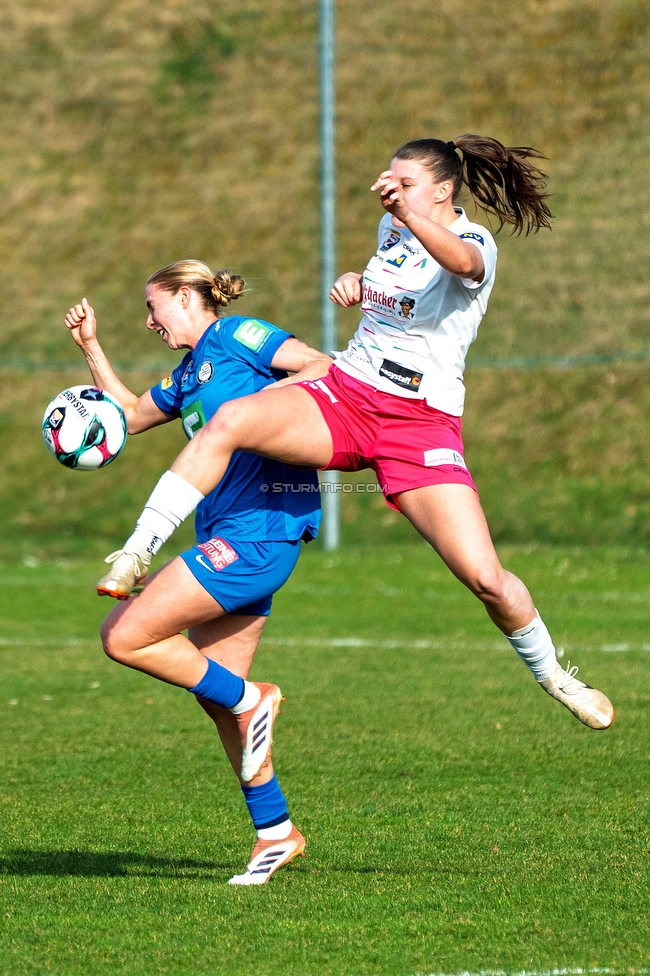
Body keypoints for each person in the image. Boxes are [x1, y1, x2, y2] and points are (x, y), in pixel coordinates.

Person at [102, 136, 615, 734]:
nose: (389, 187)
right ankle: (139, 548)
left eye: (405, 181)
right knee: (233, 419)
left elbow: (459, 263)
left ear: (443, 190)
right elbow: (392, 294)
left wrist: (405, 215)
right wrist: (357, 281)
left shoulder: (475, 243)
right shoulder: (391, 228)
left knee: (486, 578)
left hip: (419, 422)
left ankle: (555, 675)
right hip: (348, 393)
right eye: (388, 179)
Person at [65, 260, 333, 885]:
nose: (150, 321)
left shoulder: (241, 334)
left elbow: (320, 366)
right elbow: (127, 417)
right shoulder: (191, 371)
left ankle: (255, 696)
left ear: (186, 297)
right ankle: (276, 832)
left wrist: (261, 409)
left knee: (124, 636)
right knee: (220, 705)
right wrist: (91, 349)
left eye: (154, 307)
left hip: (260, 531)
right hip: (229, 535)